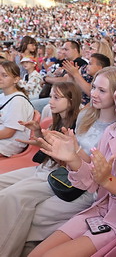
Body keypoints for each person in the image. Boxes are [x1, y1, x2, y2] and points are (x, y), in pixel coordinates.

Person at [29, 68, 116, 257]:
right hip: (97, 211)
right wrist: (73, 158)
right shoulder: (112, 131)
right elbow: (92, 182)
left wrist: (108, 181)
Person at [0, 81, 82, 257]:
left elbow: (69, 164)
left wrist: (52, 146)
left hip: (57, 174)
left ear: (71, 99)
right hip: (44, 167)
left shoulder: (77, 125)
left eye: (57, 97)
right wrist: (38, 134)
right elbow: (47, 153)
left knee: (9, 196)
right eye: (51, 96)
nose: (51, 101)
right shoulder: (57, 118)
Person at [0, 61, 34, 157]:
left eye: (4, 75)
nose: (0, 78)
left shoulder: (18, 101)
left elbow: (8, 133)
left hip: (8, 144)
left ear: (16, 79)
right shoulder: (2, 96)